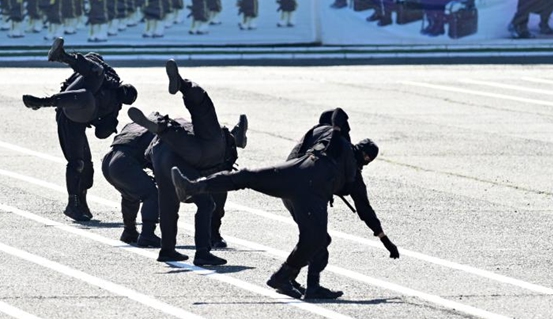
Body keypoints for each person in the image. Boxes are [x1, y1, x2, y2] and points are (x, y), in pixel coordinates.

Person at [171, 108, 399, 300]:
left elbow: (333, 114)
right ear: (367, 157)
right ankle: (290, 279)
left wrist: (337, 129)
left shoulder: (328, 136)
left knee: (248, 176)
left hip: (292, 175)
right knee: (318, 239)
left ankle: (193, 186)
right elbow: (365, 211)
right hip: (311, 194)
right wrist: (385, 240)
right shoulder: (343, 149)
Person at [127, 60, 247, 266]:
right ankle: (202, 252)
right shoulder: (218, 139)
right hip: (204, 153)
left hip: (163, 153)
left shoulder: (178, 131)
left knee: (168, 204)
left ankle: (167, 249)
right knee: (206, 202)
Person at [22, 38, 138, 221]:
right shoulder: (107, 78)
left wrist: (110, 122)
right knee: (94, 79)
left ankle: (77, 203)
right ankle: (54, 75)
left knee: (83, 167)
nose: (124, 92)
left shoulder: (113, 108)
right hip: (69, 105)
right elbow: (94, 60)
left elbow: (102, 134)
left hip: (78, 119)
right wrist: (104, 75)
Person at [102, 121, 161, 247]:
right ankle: (147, 235)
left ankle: (129, 231)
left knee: (130, 193)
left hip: (108, 161)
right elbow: (156, 156)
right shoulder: (159, 131)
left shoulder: (134, 125)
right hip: (124, 162)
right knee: (152, 194)